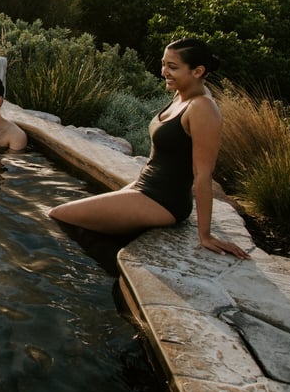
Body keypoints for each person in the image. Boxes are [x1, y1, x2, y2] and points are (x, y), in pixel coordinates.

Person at [48, 38, 249, 259]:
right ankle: (107, 269)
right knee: (87, 225)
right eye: (164, 64)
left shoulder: (202, 108)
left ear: (198, 71)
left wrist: (205, 235)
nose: (164, 72)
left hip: (163, 200)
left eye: (172, 67)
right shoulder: (180, 95)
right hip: (145, 188)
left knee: (58, 214)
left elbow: (203, 174)